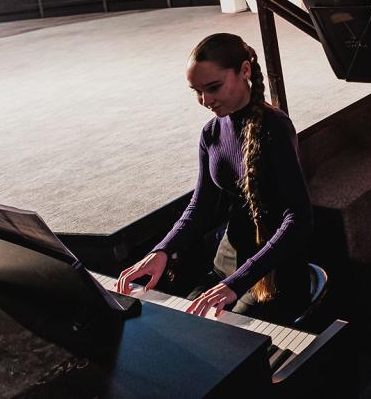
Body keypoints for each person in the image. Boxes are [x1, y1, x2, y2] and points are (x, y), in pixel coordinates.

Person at [117, 32, 315, 323]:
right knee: (176, 322)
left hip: (272, 271)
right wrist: (162, 250)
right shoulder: (210, 133)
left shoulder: (275, 127)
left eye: (213, 87)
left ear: (244, 71)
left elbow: (298, 218)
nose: (204, 100)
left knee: (215, 334)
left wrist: (236, 283)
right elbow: (201, 206)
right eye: (196, 91)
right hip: (226, 267)